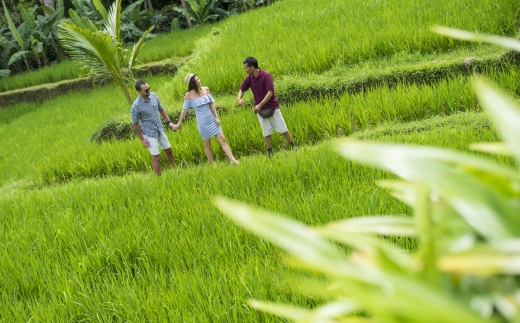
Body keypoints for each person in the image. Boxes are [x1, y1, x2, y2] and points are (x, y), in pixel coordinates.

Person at [237, 56, 298, 157]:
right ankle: (270, 153)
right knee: (266, 132)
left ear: (252, 67)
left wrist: (259, 105)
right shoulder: (249, 78)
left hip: (272, 107)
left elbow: (270, 93)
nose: (245, 70)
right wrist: (239, 98)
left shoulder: (266, 75)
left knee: (283, 128)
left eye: (246, 68)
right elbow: (242, 89)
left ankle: (293, 146)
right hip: (260, 110)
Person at [173, 73, 239, 166]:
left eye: (198, 79)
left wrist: (217, 117)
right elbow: (184, 111)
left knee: (222, 139)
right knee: (207, 145)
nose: (198, 81)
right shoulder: (188, 95)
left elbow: (211, 104)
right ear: (192, 83)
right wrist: (178, 124)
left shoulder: (206, 89)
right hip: (202, 123)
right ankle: (213, 164)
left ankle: (233, 160)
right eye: (196, 81)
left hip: (211, 119)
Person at [131, 80, 175, 176]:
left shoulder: (154, 96)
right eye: (146, 90)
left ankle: (174, 170)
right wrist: (142, 139)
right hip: (149, 133)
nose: (149, 91)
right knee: (156, 157)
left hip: (160, 129)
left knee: (169, 150)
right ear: (139, 92)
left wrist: (169, 122)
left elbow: (161, 108)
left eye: (149, 88)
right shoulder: (136, 106)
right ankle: (158, 179)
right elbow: (135, 123)